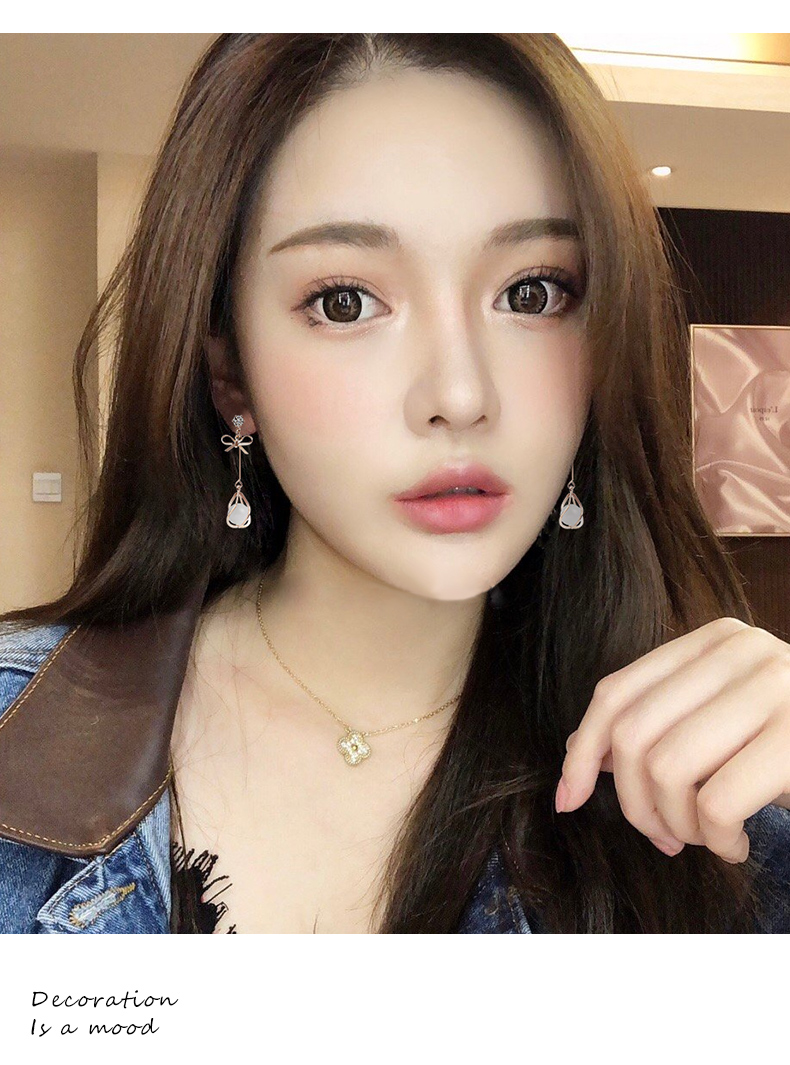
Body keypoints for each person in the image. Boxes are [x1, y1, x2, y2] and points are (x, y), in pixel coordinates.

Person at [1, 33, 789, 935]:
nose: (460, 394)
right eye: (345, 301)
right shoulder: (18, 731)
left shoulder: (714, 809)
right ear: (230, 373)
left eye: (532, 293)